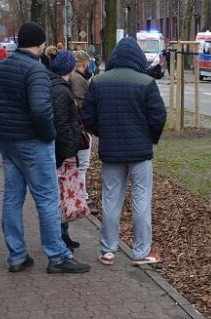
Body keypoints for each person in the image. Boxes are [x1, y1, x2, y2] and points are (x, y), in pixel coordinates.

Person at [0, 22, 90, 274]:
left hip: (8, 141)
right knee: (47, 198)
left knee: (12, 197)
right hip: (33, 142)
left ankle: (16, 255)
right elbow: (40, 110)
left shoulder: (2, 67)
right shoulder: (35, 71)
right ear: (40, 43)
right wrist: (49, 136)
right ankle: (57, 256)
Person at [82, 37, 167, 266]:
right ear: (137, 58)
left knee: (110, 199)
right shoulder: (146, 82)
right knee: (141, 200)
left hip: (111, 151)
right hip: (140, 152)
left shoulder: (98, 82)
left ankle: (108, 250)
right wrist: (150, 137)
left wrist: (104, 133)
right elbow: (158, 116)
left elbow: (88, 116)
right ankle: (141, 251)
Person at [45, 47, 83, 250]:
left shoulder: (56, 85)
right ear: (69, 67)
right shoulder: (60, 90)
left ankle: (63, 234)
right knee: (59, 194)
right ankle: (59, 236)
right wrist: (68, 153)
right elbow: (62, 123)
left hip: (59, 150)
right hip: (61, 152)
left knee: (61, 194)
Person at [70, 49, 93, 207]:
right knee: (82, 165)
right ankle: (82, 199)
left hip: (78, 127)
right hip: (81, 129)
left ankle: (80, 196)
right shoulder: (79, 80)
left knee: (79, 165)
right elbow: (81, 105)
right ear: (84, 63)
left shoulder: (76, 78)